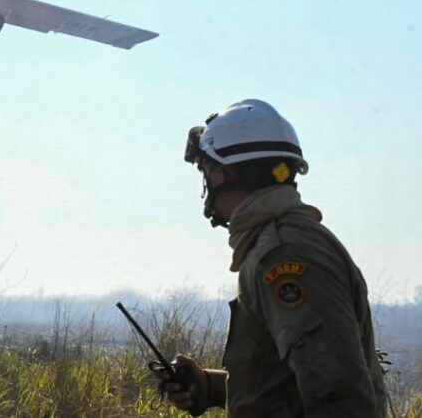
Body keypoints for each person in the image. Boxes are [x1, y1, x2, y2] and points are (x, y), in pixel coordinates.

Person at [158, 98, 387, 417]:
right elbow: (291, 384)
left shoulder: (285, 253)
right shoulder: (277, 242)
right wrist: (209, 387)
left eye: (207, 170)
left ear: (223, 174)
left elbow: (337, 394)